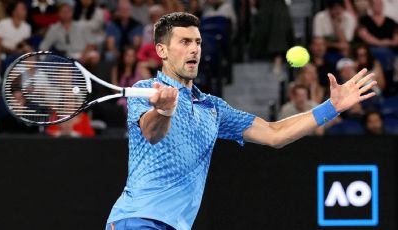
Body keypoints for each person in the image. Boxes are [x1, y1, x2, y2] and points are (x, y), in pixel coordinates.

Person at [105, 12, 378, 230]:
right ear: (162, 51)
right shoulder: (147, 89)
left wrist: (332, 107)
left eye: (198, 42)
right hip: (138, 219)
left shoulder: (213, 108)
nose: (194, 50)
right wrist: (164, 110)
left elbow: (275, 133)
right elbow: (151, 133)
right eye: (184, 42)